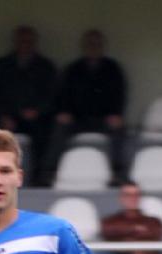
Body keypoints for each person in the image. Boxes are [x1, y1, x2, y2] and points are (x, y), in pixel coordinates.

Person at [45, 28, 127, 182]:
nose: (93, 47)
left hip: (104, 119)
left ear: (103, 46)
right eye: (90, 44)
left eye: (97, 44)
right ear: (84, 46)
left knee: (119, 128)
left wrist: (116, 114)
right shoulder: (73, 69)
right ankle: (50, 172)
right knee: (58, 126)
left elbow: (120, 95)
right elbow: (63, 95)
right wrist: (64, 112)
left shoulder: (113, 69)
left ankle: (117, 172)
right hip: (77, 119)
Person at [0, 26, 57, 182]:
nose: (25, 44)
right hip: (9, 117)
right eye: (22, 41)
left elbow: (52, 96)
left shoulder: (45, 66)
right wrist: (4, 115)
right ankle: (0, 175)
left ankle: (39, 177)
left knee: (48, 132)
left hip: (37, 119)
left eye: (29, 41)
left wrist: (37, 111)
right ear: (15, 42)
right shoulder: (1, 65)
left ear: (35, 43)